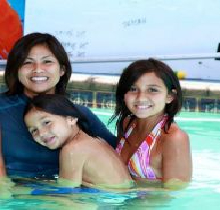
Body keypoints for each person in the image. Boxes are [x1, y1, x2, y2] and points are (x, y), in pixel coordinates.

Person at [0, 32, 116, 179]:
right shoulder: (2, 110)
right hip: (14, 195)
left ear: (62, 70)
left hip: (63, 194)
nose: (38, 69)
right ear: (16, 71)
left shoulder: (78, 114)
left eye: (47, 61)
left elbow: (117, 154)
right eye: (27, 62)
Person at [109, 58, 192, 189]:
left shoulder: (173, 138)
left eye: (152, 90)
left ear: (170, 96)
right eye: (133, 89)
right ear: (124, 95)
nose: (141, 98)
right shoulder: (127, 124)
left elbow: (175, 193)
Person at [23, 94, 133, 189]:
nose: (41, 133)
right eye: (33, 130)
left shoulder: (73, 149)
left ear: (71, 118)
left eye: (46, 122)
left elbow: (67, 192)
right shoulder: (95, 140)